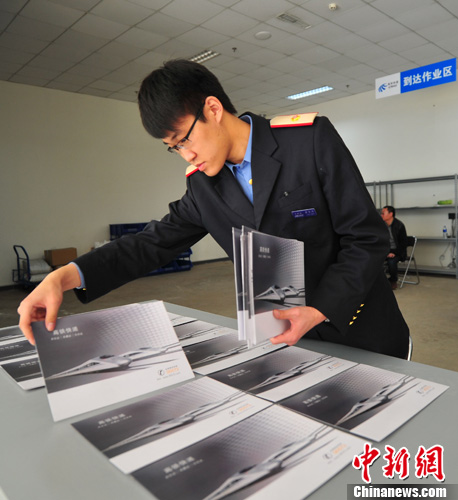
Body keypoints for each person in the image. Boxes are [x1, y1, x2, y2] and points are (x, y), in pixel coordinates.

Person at [18, 59, 410, 359]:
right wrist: (63, 277)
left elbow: (366, 238)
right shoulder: (203, 186)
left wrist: (321, 308)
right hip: (289, 343)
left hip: (361, 328)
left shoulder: (307, 141)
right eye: (173, 148)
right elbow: (150, 243)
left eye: (184, 138)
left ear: (213, 108)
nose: (185, 154)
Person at [381, 206, 408, 290]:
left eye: (383, 213)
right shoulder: (381, 226)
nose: (381, 215)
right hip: (386, 251)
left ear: (391, 214)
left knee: (391, 261)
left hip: (398, 252)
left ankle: (393, 281)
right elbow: (380, 241)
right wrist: (386, 252)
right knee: (373, 259)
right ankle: (379, 281)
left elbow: (403, 244)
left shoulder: (399, 225)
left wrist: (394, 253)